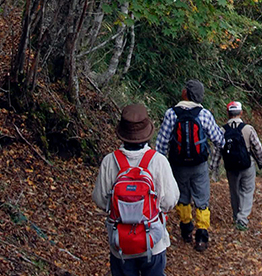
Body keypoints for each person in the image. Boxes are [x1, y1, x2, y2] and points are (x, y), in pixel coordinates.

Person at [93, 104, 179, 276]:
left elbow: (100, 200)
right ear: (147, 132)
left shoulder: (110, 161)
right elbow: (170, 201)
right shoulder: (158, 161)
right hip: (153, 241)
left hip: (120, 244)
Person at [155, 79, 225, 252]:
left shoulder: (172, 113)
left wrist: (161, 166)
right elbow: (218, 140)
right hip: (199, 164)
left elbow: (161, 144)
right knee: (202, 200)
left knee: (182, 197)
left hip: (178, 165)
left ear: (185, 93)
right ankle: (202, 236)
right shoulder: (204, 114)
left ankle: (186, 229)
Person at [209, 101, 262, 230]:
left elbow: (217, 150)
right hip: (247, 164)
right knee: (247, 190)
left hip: (230, 166)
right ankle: (242, 219)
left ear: (228, 114)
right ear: (241, 113)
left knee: (234, 191)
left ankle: (236, 215)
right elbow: (257, 147)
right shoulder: (248, 128)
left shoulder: (222, 130)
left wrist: (214, 168)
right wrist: (261, 162)